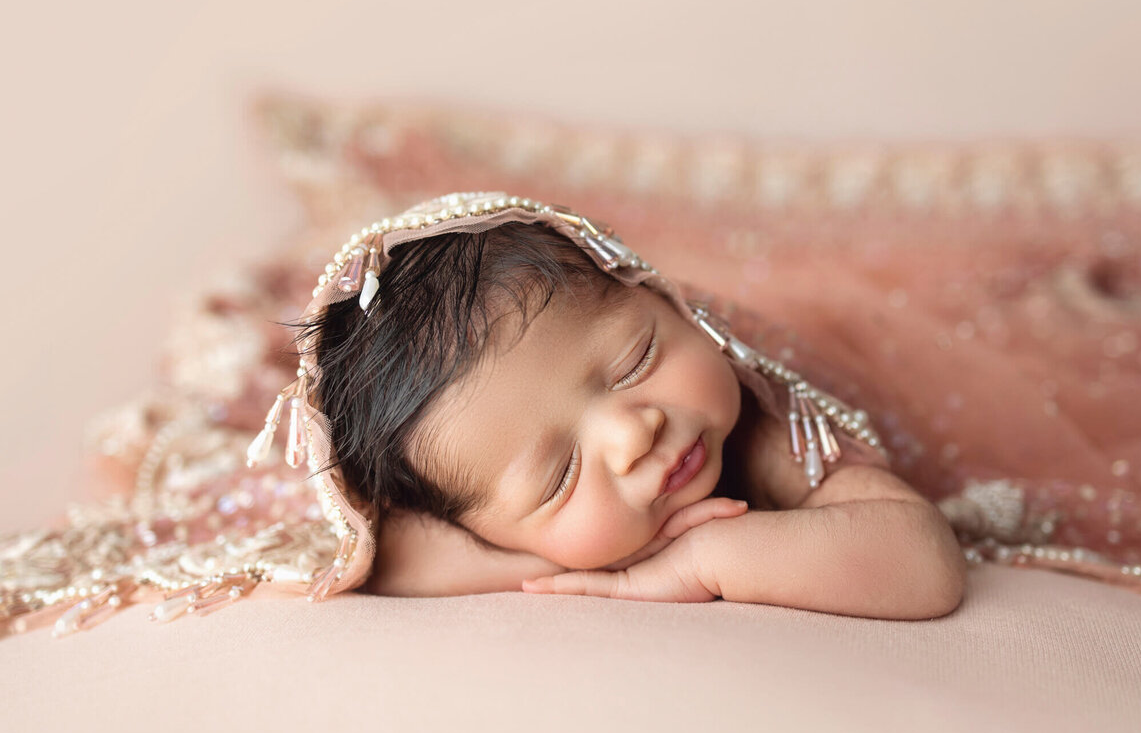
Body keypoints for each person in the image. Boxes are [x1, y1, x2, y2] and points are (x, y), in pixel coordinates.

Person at [298, 212, 965, 617]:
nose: (634, 434)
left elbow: (923, 565)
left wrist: (703, 558)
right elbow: (392, 562)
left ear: (667, 302)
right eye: (560, 474)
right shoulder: (449, 509)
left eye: (635, 359)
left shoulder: (773, 430)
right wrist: (587, 561)